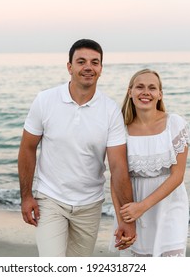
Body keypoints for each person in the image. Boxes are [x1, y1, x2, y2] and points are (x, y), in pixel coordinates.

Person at [17, 39, 136, 257]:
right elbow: (27, 148)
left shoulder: (110, 111)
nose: (88, 67)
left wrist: (127, 220)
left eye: (95, 62)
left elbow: (118, 167)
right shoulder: (45, 100)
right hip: (50, 199)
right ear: (69, 67)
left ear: (101, 69)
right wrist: (26, 197)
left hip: (90, 204)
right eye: (81, 61)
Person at [111, 69, 190, 257]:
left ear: (160, 94)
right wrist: (123, 218)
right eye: (139, 87)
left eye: (152, 88)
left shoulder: (175, 124)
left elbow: (178, 176)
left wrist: (142, 206)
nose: (146, 92)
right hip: (132, 207)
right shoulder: (120, 130)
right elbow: (115, 179)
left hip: (169, 205)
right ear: (130, 92)